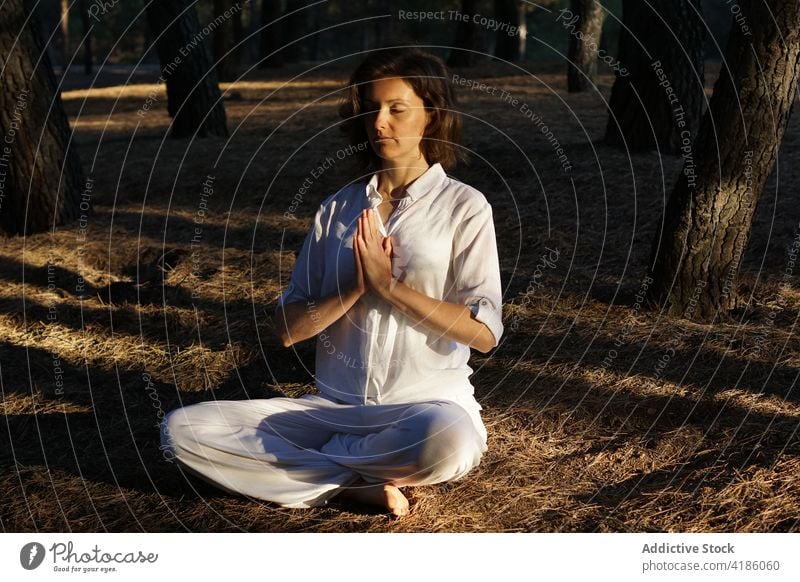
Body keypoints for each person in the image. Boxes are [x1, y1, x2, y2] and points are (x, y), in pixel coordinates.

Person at [160, 47, 504, 517]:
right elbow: (288, 328)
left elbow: (483, 334)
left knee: (449, 444)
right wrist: (355, 289)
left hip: (423, 408)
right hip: (331, 409)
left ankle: (315, 474)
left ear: (432, 115)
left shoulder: (464, 207)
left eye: (397, 109)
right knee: (181, 431)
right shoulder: (337, 209)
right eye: (371, 108)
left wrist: (390, 288)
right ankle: (350, 484)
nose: (379, 122)